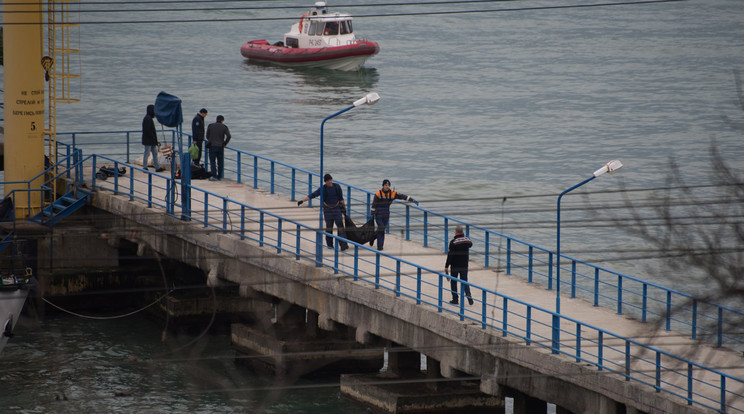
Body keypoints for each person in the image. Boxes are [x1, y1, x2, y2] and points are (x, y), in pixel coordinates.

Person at [297, 174, 349, 251]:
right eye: (328, 180)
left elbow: (341, 198)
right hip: (328, 210)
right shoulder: (323, 189)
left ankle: (343, 245)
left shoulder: (337, 187)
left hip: (337, 209)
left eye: (330, 180)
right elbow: (313, 195)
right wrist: (302, 201)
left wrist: (344, 209)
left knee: (340, 227)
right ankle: (330, 245)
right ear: (325, 181)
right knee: (329, 228)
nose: (330, 182)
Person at [370, 179, 417, 251]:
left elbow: (402, 196)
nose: (387, 187)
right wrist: (372, 214)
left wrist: (412, 200)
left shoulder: (392, 193)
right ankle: (380, 246)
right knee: (381, 228)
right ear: (382, 186)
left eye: (388, 185)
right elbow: (374, 204)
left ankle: (373, 237)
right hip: (378, 213)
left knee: (382, 229)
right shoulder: (378, 193)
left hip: (386, 213)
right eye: (386, 185)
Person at [445, 224, 473, 305]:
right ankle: (468, 295)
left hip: (455, 265)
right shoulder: (467, 240)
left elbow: (450, 255)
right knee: (464, 281)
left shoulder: (453, 242)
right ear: (462, 232)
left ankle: (455, 299)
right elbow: (470, 244)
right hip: (464, 265)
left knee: (454, 282)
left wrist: (446, 266)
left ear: (456, 232)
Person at [205, 115, 231, 181]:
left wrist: (211, 139)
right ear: (222, 120)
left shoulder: (210, 126)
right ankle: (219, 176)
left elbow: (207, 136)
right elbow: (229, 136)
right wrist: (224, 143)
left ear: (216, 119)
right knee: (220, 162)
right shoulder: (224, 127)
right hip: (220, 146)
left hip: (212, 146)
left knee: (212, 162)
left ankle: (214, 176)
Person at [142, 104, 165, 172]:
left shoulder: (148, 118)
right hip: (148, 140)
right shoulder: (147, 119)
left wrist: (154, 140)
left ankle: (157, 167)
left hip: (152, 140)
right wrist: (153, 138)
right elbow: (147, 131)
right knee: (147, 153)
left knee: (155, 153)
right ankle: (145, 167)